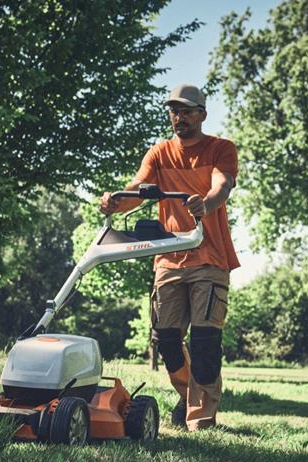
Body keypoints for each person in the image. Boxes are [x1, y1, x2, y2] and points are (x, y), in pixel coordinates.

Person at [99, 84, 239, 431]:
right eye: (174, 111)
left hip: (209, 257)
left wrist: (205, 203)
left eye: (187, 111)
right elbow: (138, 189)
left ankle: (201, 419)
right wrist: (116, 201)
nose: (179, 117)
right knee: (167, 340)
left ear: (202, 115)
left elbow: (222, 185)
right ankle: (187, 396)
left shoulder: (220, 148)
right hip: (167, 260)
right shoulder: (159, 153)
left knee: (206, 343)